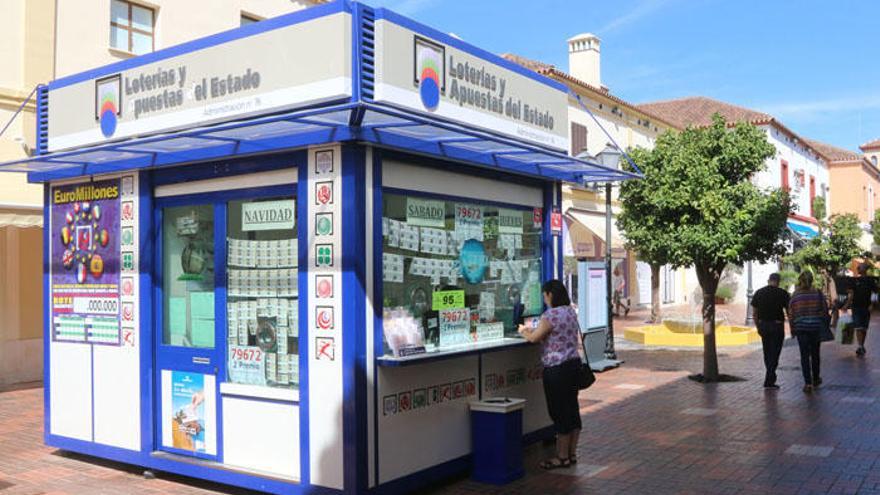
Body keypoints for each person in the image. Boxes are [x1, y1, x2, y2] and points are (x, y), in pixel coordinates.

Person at [518, 279, 582, 470]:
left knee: (559, 412)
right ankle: (571, 454)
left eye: (545, 295)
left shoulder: (551, 315)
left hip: (556, 370)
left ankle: (561, 457)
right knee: (571, 410)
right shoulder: (570, 311)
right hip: (573, 366)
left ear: (550, 295)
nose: (544, 299)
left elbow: (534, 338)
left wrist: (523, 331)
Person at [788, 271, 829, 393]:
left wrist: (792, 329)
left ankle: (808, 383)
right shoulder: (818, 293)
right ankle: (816, 378)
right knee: (815, 354)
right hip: (815, 327)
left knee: (804, 356)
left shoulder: (795, 295)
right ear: (812, 280)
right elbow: (824, 310)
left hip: (801, 328)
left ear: (800, 280)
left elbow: (791, 314)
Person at [750, 273, 790, 389]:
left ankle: (770, 377)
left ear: (769, 280)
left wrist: (758, 326)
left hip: (763, 325)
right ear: (778, 281)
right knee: (775, 353)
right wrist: (792, 327)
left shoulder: (759, 292)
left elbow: (755, 313)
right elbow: (789, 312)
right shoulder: (783, 293)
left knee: (767, 352)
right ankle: (769, 378)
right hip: (777, 326)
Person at [843, 263, 876, 357]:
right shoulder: (854, 280)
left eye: (860, 266)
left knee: (864, 328)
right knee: (858, 327)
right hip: (856, 307)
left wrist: (872, 304)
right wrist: (847, 304)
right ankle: (860, 346)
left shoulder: (870, 280)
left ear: (865, 269)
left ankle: (861, 346)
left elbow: (875, 293)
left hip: (866, 307)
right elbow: (851, 294)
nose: (858, 268)